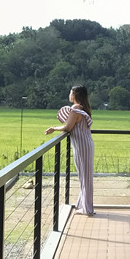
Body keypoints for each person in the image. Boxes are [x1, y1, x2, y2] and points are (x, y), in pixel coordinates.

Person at [45, 85, 95, 215]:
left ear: (75, 94)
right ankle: (83, 205)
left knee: (85, 176)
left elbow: (68, 127)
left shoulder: (75, 108)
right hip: (84, 144)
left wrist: (54, 128)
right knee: (84, 176)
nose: (69, 94)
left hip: (82, 145)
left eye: (70, 92)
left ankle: (87, 208)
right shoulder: (82, 108)